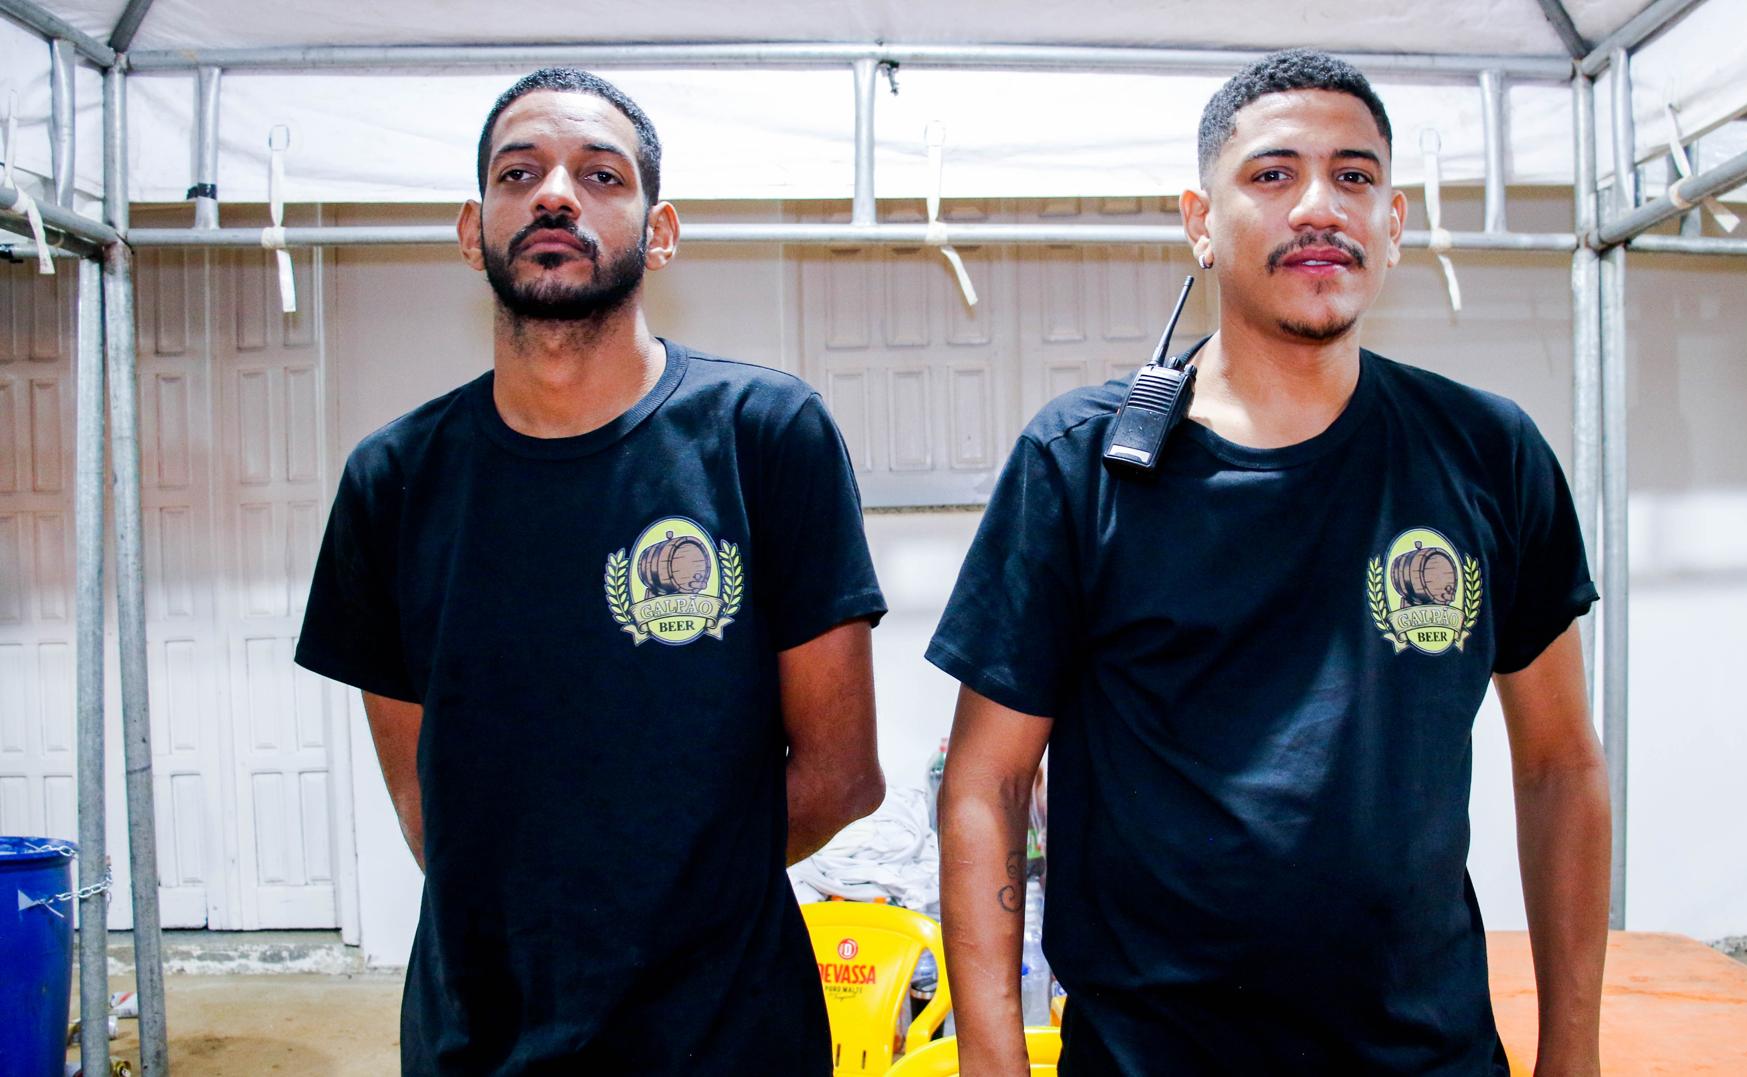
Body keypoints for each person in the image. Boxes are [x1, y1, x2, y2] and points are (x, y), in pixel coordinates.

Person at [930, 49, 1609, 1076]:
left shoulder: (1487, 454)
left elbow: (1560, 764)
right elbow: (987, 780)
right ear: (1200, 222)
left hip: (1426, 1057)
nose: (1319, 207)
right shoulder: (1081, 464)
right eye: (1273, 174)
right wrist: (991, 1061)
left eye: (1354, 176)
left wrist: (1574, 1054)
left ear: (1394, 223)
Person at [295, 67, 886, 1075]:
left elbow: (841, 776)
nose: (556, 195)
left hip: (726, 1038)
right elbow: (429, 805)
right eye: (518, 173)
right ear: (473, 229)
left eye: (601, 175)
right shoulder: (392, 480)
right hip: (477, 1036)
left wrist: (669, 905)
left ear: (661, 232)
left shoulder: (766, 436)